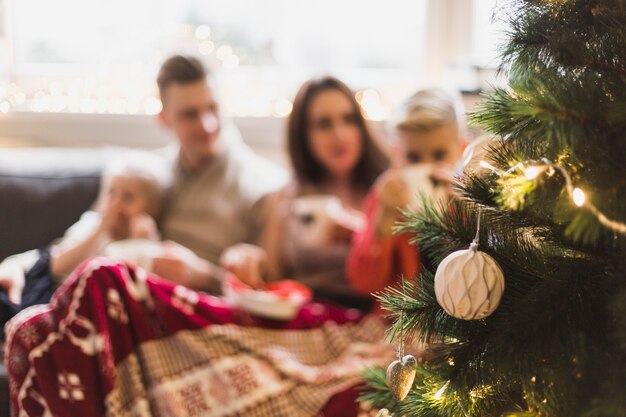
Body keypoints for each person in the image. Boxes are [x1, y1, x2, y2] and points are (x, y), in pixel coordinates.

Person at [221, 76, 389, 309]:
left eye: (348, 120)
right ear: (303, 136)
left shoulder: (389, 189)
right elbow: (271, 276)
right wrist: (247, 257)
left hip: (373, 314)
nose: (340, 135)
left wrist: (361, 234)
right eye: (324, 124)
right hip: (307, 314)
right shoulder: (287, 196)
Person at [346, 88, 467, 305]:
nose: (427, 166)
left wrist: (463, 214)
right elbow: (363, 283)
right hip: (398, 323)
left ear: (462, 149)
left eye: (439, 155)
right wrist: (384, 217)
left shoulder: (469, 199)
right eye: (413, 157)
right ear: (396, 153)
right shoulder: (386, 196)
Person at [50, 152, 170, 278]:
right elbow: (57, 266)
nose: (115, 204)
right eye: (111, 192)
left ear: (152, 209)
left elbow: (137, 286)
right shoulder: (92, 224)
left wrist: (138, 245)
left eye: (128, 197)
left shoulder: (148, 242)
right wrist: (99, 230)